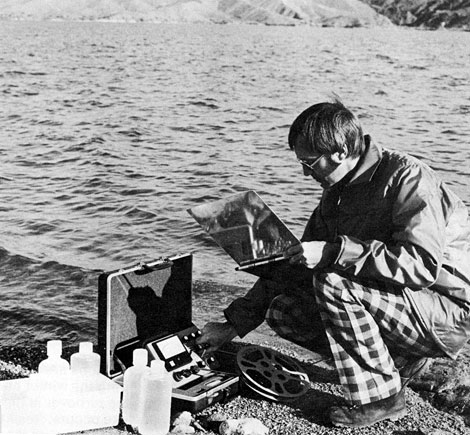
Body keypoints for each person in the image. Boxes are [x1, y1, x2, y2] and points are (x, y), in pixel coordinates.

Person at [195, 98, 470, 428]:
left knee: (332, 282)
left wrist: (333, 252)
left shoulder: (409, 178)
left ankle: (384, 399)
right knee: (283, 310)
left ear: (340, 151)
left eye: (309, 164)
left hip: (446, 311)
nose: (303, 173)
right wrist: (232, 326)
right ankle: (394, 363)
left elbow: (420, 265)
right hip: (403, 303)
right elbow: (291, 269)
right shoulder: (336, 192)